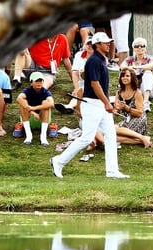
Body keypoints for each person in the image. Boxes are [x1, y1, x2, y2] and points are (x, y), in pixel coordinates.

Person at [50, 32, 129, 179]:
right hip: (92, 104)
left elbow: (99, 84)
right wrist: (107, 103)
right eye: (105, 42)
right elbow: (94, 84)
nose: (109, 44)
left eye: (109, 42)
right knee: (87, 138)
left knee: (111, 135)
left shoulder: (102, 60)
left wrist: (106, 102)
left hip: (100, 104)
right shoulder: (93, 61)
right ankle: (59, 161)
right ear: (97, 44)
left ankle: (112, 171)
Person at [55, 37, 93, 114]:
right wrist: (76, 88)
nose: (90, 46)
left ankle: (70, 106)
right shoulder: (79, 55)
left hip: (94, 83)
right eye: (88, 44)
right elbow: (74, 73)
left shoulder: (100, 58)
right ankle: (70, 106)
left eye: (92, 44)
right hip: (81, 84)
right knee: (79, 92)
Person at [120, 37, 153, 112]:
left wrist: (137, 67)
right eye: (137, 46)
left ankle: (146, 102)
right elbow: (122, 66)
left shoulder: (150, 58)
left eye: (142, 46)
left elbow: (152, 66)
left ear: (145, 48)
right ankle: (124, 98)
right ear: (133, 49)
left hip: (147, 89)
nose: (139, 48)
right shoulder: (130, 59)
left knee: (148, 72)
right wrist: (130, 69)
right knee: (124, 73)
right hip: (134, 88)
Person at [16, 72, 54, 146]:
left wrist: (34, 108)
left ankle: (43, 137)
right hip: (29, 117)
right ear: (31, 83)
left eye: (41, 81)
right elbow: (19, 98)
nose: (39, 83)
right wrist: (33, 111)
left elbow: (51, 104)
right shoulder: (27, 90)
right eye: (36, 81)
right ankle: (28, 136)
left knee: (45, 103)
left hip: (42, 118)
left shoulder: (45, 92)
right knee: (23, 102)